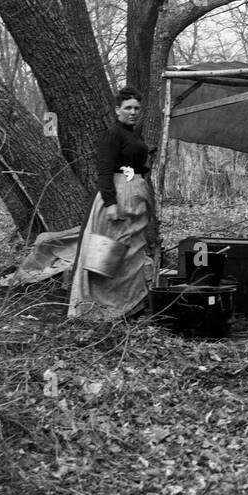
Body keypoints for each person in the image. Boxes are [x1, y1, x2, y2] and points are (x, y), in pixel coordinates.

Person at [69, 86, 159, 320]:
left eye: (137, 108)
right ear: (117, 109)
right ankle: (98, 309)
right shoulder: (113, 134)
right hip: (117, 199)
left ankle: (127, 307)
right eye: (128, 108)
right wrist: (110, 203)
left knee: (131, 255)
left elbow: (134, 165)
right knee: (111, 253)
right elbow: (104, 171)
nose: (133, 112)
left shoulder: (134, 134)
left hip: (134, 201)